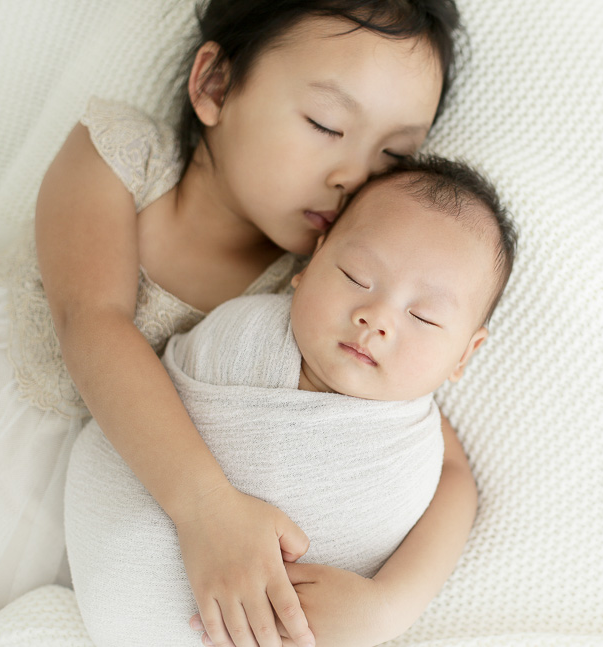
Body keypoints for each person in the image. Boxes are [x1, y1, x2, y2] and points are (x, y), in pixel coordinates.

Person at [0, 1, 478, 645]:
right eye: (325, 123)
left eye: (393, 157)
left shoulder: (315, 289)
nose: (354, 178)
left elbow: (448, 467)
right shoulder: (123, 158)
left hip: (105, 521)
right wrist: (208, 511)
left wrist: (391, 603)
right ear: (215, 85)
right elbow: (91, 322)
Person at [64, 155, 517, 647]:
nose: (376, 316)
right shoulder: (242, 331)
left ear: (463, 355)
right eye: (355, 276)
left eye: (425, 317)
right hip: (119, 564)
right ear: (310, 264)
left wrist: (387, 606)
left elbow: (455, 485)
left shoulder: (415, 427)